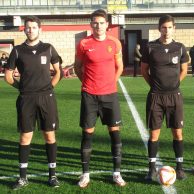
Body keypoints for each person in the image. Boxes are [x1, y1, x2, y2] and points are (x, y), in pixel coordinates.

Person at [4, 16, 61, 190]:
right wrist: (23, 88)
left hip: (46, 98)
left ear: (39, 29)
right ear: (24, 30)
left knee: (49, 135)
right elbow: (8, 76)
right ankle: (22, 178)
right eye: (28, 28)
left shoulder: (48, 48)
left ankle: (52, 176)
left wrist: (48, 88)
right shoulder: (17, 51)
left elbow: (58, 72)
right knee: (25, 136)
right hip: (26, 99)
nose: (31, 30)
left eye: (34, 27)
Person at [74, 9, 126, 188]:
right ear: (91, 24)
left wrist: (111, 82)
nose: (98, 26)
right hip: (89, 95)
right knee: (87, 133)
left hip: (109, 95)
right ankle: (85, 174)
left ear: (107, 25)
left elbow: (120, 66)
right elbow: (77, 66)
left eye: (102, 22)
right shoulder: (83, 43)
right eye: (95, 23)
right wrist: (87, 83)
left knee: (115, 133)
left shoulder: (115, 43)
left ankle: (116, 173)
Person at [141, 15, 189, 181]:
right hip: (155, 96)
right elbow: (143, 71)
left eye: (169, 27)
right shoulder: (150, 47)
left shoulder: (180, 47)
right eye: (164, 27)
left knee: (177, 133)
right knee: (154, 135)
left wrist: (174, 84)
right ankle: (152, 169)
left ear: (174, 28)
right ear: (159, 28)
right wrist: (155, 86)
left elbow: (184, 70)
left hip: (174, 96)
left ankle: (180, 167)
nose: (166, 30)